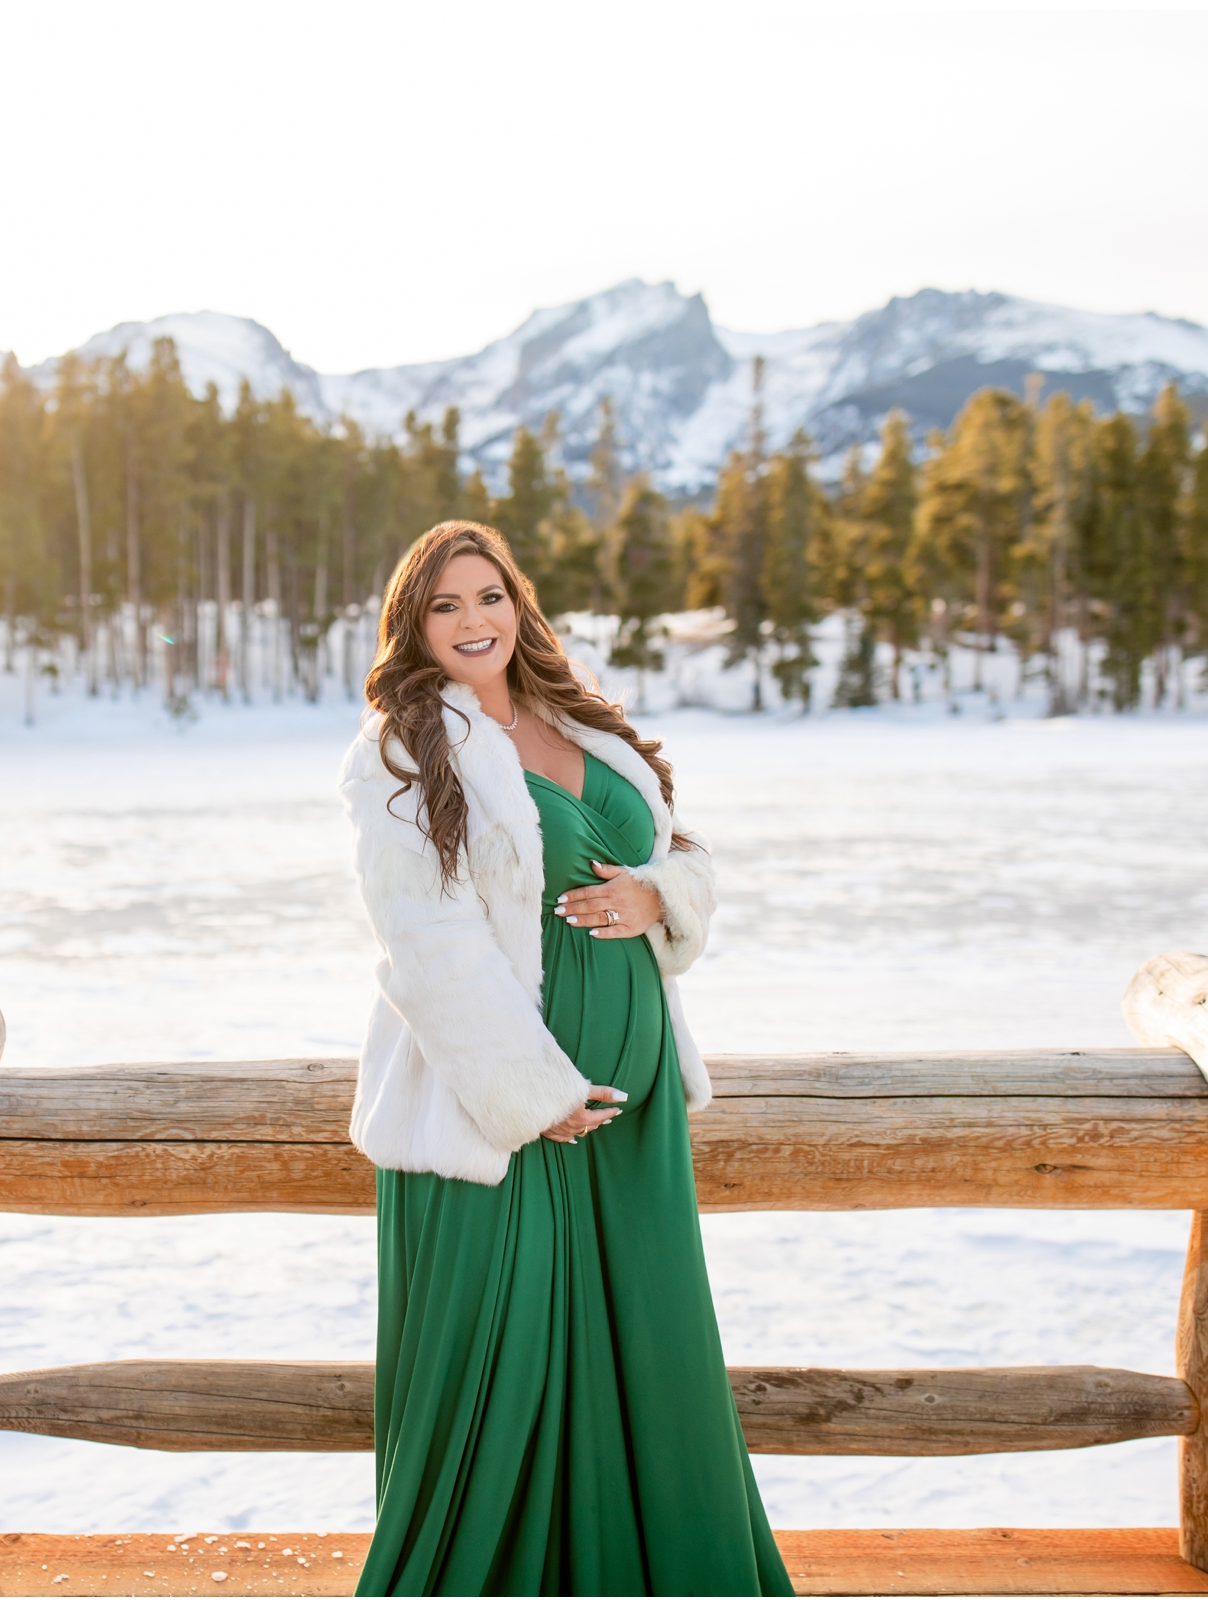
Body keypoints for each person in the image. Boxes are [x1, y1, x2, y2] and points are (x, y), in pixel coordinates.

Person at [339, 520, 792, 1596]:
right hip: (502, 1115)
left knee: (650, 1347)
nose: (472, 621)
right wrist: (530, 1092)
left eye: (487, 596)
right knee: (502, 1365)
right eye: (444, 606)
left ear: (518, 604)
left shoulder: (579, 717)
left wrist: (658, 896)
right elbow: (424, 940)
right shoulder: (400, 749)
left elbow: (681, 855)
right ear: (412, 625)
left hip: (633, 1113)